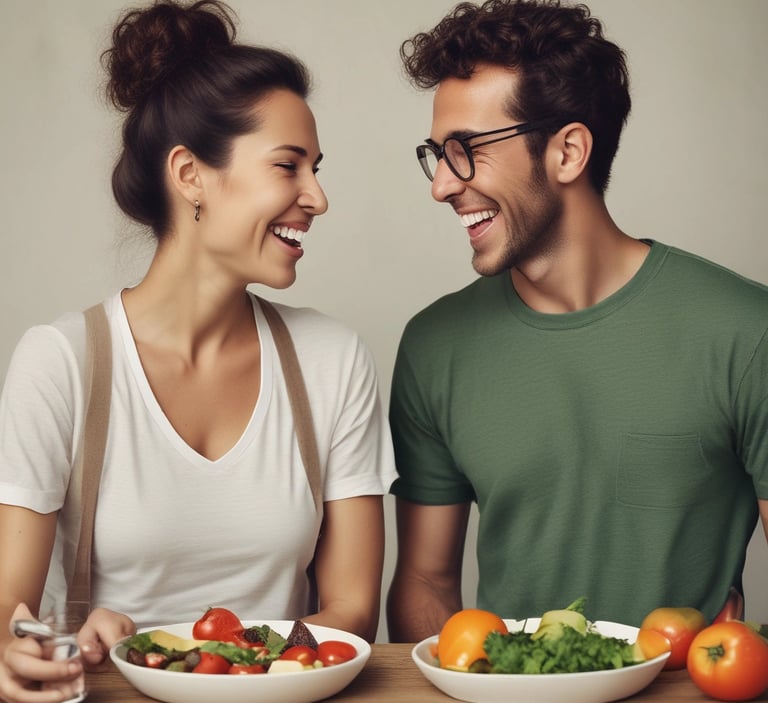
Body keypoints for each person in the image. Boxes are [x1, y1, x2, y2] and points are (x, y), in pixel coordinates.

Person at [0, 1, 396, 700]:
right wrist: (58, 645)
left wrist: (193, 658)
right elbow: (8, 622)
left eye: (316, 167)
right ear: (190, 175)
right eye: (288, 165)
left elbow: (352, 611)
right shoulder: (61, 363)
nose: (318, 197)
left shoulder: (331, 360)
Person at [386, 0, 768, 643]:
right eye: (437, 153)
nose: (441, 185)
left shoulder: (747, 332)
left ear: (567, 151)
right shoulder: (434, 345)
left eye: (465, 150)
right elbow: (425, 583)